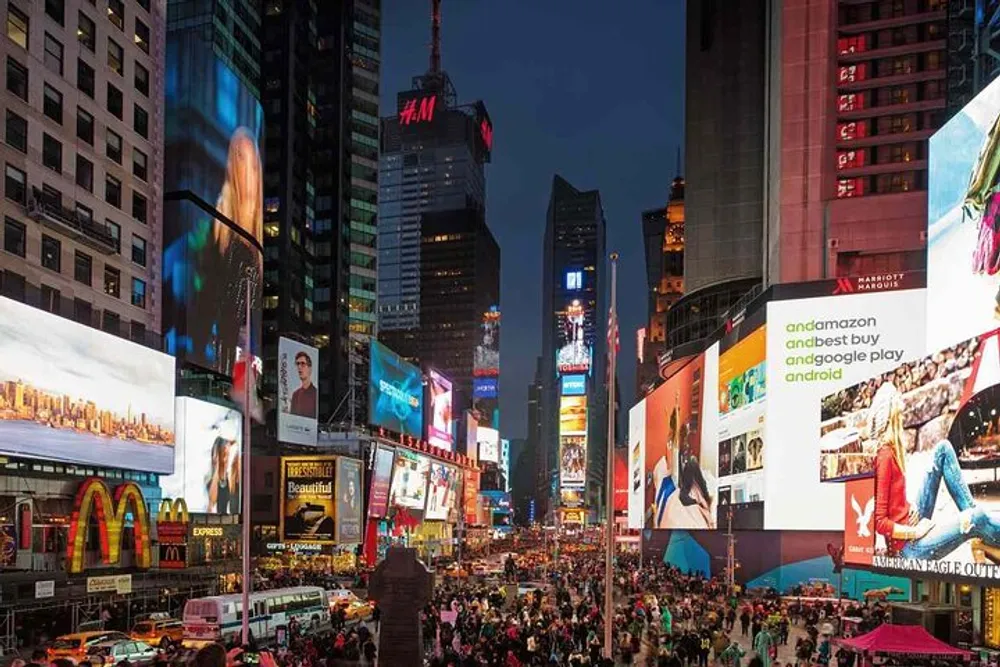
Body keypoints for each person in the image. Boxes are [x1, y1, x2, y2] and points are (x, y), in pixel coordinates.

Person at [871, 382, 1000, 563]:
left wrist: (909, 507)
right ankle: (978, 525)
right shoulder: (884, 455)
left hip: (910, 522)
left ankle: (977, 528)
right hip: (908, 549)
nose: (902, 421)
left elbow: (893, 499)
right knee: (977, 517)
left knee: (943, 449)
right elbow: (880, 522)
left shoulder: (892, 450)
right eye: (900, 416)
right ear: (893, 417)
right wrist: (915, 531)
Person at [289, 351, 317, 417]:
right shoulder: (295, 394)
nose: (299, 367)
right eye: (297, 364)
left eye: (303, 364)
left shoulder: (315, 393)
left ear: (310, 369)